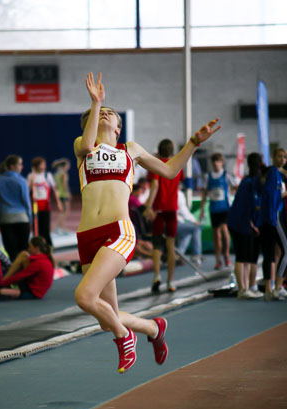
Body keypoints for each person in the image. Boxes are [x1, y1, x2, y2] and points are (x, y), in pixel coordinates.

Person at [73, 72, 220, 374]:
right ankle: (153, 329)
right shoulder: (83, 147)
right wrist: (96, 103)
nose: (104, 115)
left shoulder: (131, 150)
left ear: (118, 127)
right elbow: (88, 146)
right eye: (99, 114)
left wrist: (193, 142)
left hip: (118, 231)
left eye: (109, 113)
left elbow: (169, 171)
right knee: (107, 315)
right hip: (86, 236)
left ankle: (125, 337)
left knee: (84, 297)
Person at [144, 139, 184, 293]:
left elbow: (155, 185)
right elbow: (178, 184)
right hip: (172, 209)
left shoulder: (156, 165)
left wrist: (148, 206)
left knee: (156, 245)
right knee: (171, 245)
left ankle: (156, 276)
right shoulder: (177, 165)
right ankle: (170, 282)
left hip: (158, 210)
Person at [227, 153, 263, 299]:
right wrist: (251, 224)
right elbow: (244, 206)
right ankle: (242, 289)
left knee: (246, 257)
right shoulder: (249, 182)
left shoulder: (250, 181)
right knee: (241, 257)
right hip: (239, 223)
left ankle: (246, 287)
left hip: (243, 222)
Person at [0, 154, 32, 261]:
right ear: (12, 166)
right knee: (23, 250)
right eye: (19, 164)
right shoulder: (22, 181)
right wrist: (30, 219)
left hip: (6, 220)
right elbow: (26, 203)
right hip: (22, 219)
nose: (21, 166)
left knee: (11, 252)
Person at [260, 148, 287, 300]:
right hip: (272, 218)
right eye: (280, 156)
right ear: (273, 156)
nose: (283, 159)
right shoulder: (272, 174)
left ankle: (271, 289)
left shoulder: (278, 174)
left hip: (272, 217)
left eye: (285, 157)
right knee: (284, 251)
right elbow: (272, 196)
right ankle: (277, 287)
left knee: (272, 253)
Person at [200, 152, 234, 270]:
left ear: (221, 163)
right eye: (213, 162)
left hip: (224, 208)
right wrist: (201, 210)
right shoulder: (207, 176)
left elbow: (235, 187)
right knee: (216, 235)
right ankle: (218, 260)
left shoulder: (226, 175)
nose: (215, 164)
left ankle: (227, 256)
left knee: (225, 231)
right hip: (214, 209)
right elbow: (204, 194)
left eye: (218, 162)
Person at [27, 157, 63, 245]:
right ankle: (37, 245)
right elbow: (27, 190)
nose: (44, 166)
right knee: (36, 228)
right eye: (42, 164)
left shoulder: (47, 175)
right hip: (35, 206)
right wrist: (32, 183)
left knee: (45, 228)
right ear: (37, 166)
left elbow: (54, 190)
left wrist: (58, 202)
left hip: (45, 206)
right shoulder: (31, 176)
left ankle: (48, 246)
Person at [176, 185, 202, 264]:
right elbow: (183, 211)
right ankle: (196, 254)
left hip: (168, 223)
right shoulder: (178, 194)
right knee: (196, 228)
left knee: (187, 233)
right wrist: (194, 221)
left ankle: (179, 254)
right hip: (173, 223)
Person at [53, 158, 71, 233]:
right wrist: (68, 192)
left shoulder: (57, 173)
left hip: (58, 193)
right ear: (65, 166)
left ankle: (60, 227)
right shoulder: (64, 173)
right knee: (65, 212)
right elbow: (65, 184)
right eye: (68, 165)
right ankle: (58, 227)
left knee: (62, 212)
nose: (69, 166)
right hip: (63, 194)